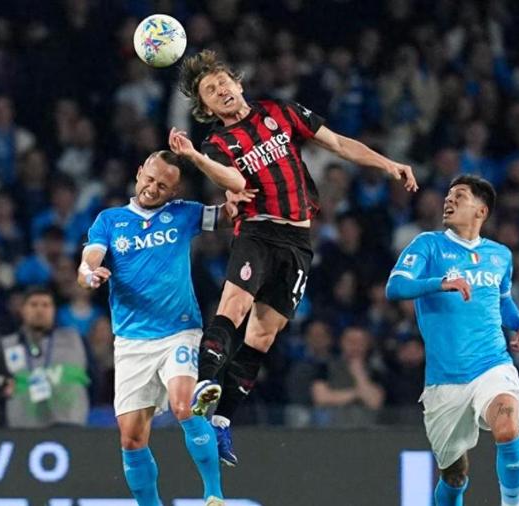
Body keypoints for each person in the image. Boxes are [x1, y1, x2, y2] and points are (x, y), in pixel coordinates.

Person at [167, 49, 418, 466]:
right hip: (258, 231)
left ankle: (221, 422)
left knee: (262, 336)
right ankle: (203, 384)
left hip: (299, 241)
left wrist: (388, 164)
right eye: (210, 90)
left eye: (223, 81)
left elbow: (337, 143)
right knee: (234, 306)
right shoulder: (217, 143)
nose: (221, 90)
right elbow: (234, 181)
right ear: (206, 108)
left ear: (238, 82)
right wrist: (194, 156)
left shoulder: (280, 112)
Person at [77, 150, 252, 506]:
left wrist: (237, 196)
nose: (152, 188)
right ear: (139, 172)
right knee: (131, 439)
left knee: (185, 405)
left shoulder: (183, 213)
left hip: (180, 332)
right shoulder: (110, 220)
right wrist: (89, 274)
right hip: (131, 341)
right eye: (150, 179)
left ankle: (214, 494)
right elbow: (89, 260)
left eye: (163, 186)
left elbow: (229, 214)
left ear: (174, 191)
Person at [385, 175, 519, 506]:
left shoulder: (500, 255)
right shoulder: (428, 245)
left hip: (491, 365)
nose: (448, 200)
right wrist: (440, 283)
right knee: (454, 476)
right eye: (449, 195)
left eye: (459, 196)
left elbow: (503, 301)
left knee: (507, 425)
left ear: (481, 210)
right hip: (445, 381)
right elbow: (395, 287)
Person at [0, 287, 90, 428]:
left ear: (54, 310)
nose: (40, 310)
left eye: (46, 305)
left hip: (68, 423)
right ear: (22, 310)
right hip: (21, 426)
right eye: (33, 305)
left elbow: (94, 378)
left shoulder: (74, 340)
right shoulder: (7, 345)